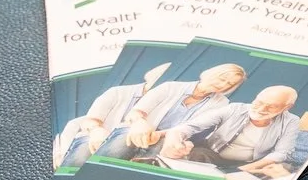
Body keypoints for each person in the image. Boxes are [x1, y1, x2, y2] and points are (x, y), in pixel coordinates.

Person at [94, 64, 248, 162]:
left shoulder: (222, 103)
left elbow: (195, 128)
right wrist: (141, 124)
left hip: (169, 137)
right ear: (210, 73)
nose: (223, 85)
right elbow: (136, 112)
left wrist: (159, 135)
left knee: (158, 153)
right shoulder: (170, 87)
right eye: (222, 78)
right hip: (138, 128)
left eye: (229, 84)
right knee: (122, 142)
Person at [156, 85, 302, 180]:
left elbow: (282, 153)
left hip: (250, 164)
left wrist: (242, 170)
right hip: (214, 156)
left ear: (287, 107)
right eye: (259, 102)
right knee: (195, 154)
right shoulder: (234, 109)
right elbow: (189, 127)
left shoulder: (291, 121)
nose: (262, 109)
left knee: (283, 169)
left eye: (272, 106)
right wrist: (173, 140)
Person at [53, 62, 174, 171]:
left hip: (133, 150)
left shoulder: (165, 104)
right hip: (94, 141)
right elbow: (86, 120)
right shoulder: (117, 93)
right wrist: (96, 130)